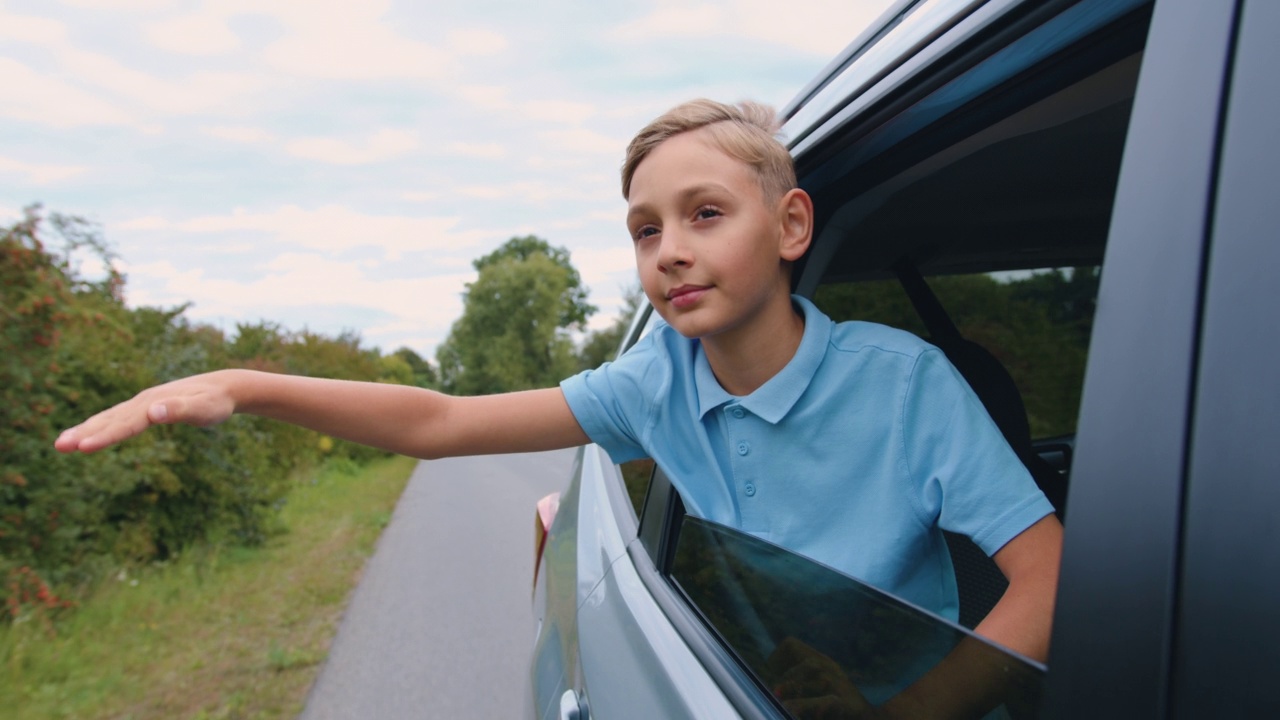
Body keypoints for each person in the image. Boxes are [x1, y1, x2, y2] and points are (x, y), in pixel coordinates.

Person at [57, 99, 1061, 716]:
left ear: (790, 224)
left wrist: (909, 715)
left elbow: (1046, 574)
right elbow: (440, 424)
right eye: (641, 229)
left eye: (703, 214)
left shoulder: (905, 382)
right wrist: (244, 386)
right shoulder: (652, 381)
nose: (666, 249)